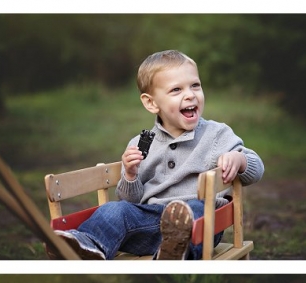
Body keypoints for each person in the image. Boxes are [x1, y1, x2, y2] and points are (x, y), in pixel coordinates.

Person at [56, 50, 264, 262]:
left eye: (195, 85)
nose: (190, 95)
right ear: (151, 103)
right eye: (176, 90)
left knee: (194, 210)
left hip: (200, 224)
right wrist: (130, 175)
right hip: (147, 223)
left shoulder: (216, 135)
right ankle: (87, 245)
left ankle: (175, 252)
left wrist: (240, 160)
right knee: (115, 210)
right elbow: (130, 201)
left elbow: (256, 168)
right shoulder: (140, 144)